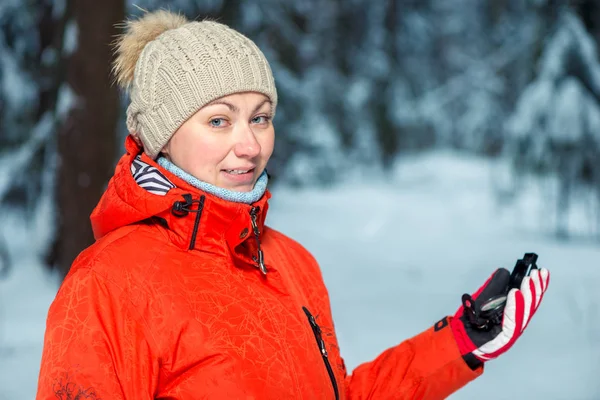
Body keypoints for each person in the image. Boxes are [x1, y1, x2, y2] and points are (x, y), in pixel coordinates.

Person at [36, 10, 550, 400]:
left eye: (260, 117)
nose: (250, 144)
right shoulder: (107, 283)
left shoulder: (291, 263)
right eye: (219, 120)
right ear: (161, 137)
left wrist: (459, 341)